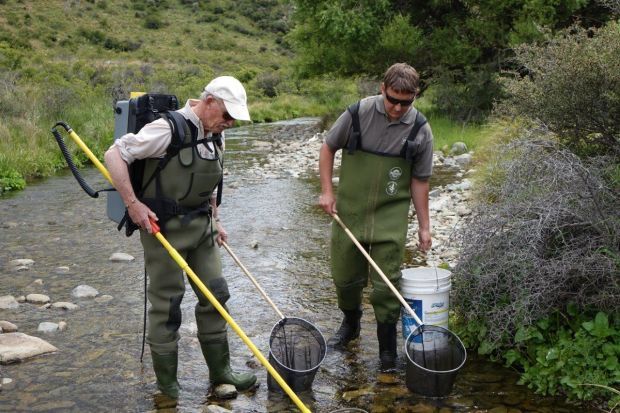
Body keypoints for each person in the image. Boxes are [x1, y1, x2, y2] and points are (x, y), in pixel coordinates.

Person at [104, 76, 256, 399]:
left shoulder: (217, 135)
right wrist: (133, 205)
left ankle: (221, 372)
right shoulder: (166, 130)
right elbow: (113, 155)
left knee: (217, 295)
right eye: (227, 116)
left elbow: (212, 183)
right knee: (168, 306)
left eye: (233, 119)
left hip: (202, 228)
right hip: (163, 230)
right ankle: (169, 388)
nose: (229, 124)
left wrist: (216, 220)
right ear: (210, 101)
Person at [318, 63, 433, 371]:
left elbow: (420, 180)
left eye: (405, 102)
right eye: (392, 99)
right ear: (382, 88)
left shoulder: (421, 129)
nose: (397, 107)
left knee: (386, 287)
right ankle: (350, 325)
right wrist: (327, 192)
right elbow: (328, 148)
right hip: (349, 214)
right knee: (345, 279)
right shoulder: (357, 114)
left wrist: (424, 226)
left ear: (415, 96)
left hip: (390, 219)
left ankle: (386, 351)